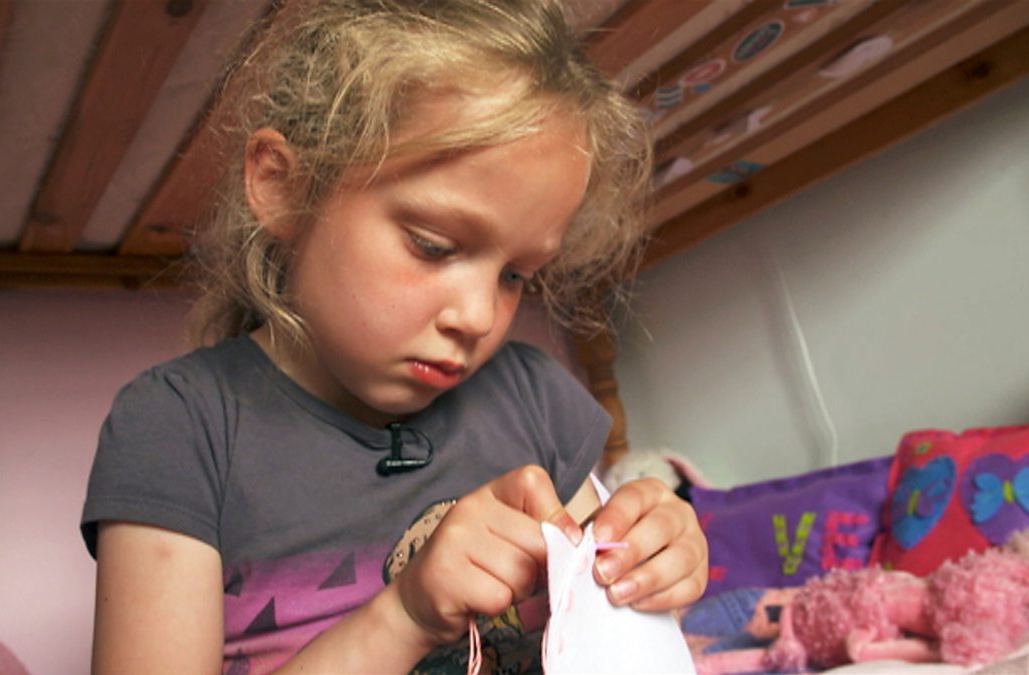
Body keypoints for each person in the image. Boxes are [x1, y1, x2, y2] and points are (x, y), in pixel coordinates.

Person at [81, 0, 708, 672]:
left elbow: (610, 633)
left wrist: (652, 569)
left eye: (515, 275)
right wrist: (404, 616)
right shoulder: (178, 427)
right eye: (433, 245)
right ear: (283, 186)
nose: (479, 316)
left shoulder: (533, 397)